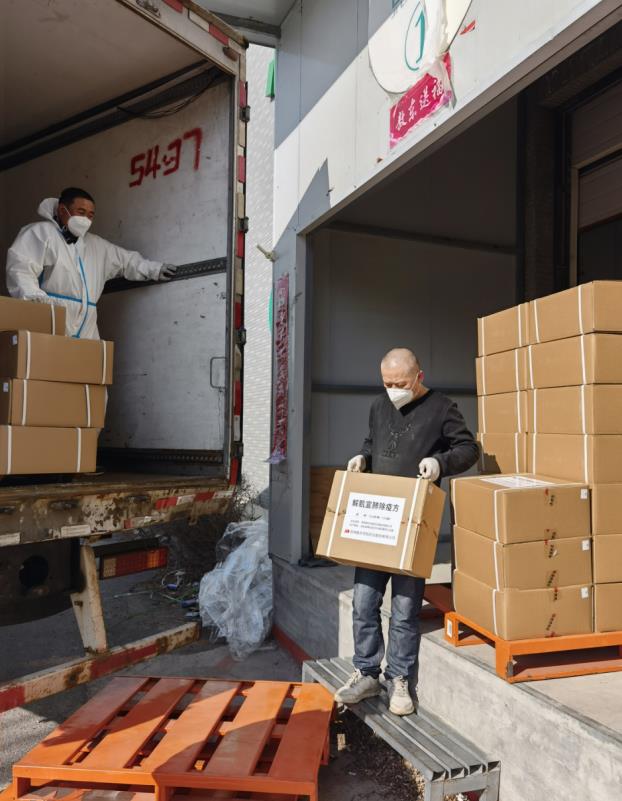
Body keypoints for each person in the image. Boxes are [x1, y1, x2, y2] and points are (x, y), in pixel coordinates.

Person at [334, 348, 479, 715]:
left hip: (413, 522)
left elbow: (468, 449)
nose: (394, 390)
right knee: (364, 602)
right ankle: (367, 673)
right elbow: (373, 442)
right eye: (387, 384)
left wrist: (439, 462)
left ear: (419, 377)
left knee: (404, 607)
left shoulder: (441, 407)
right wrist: (363, 458)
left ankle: (399, 679)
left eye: (400, 383)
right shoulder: (378, 406)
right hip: (377, 520)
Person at [6, 188, 177, 339]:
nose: (86, 219)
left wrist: (155, 269)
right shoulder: (40, 233)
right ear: (62, 210)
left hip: (87, 326)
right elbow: (21, 270)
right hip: (51, 317)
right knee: (47, 363)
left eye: (90, 215)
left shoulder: (96, 245)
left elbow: (126, 260)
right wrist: (36, 305)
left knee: (85, 364)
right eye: (81, 212)